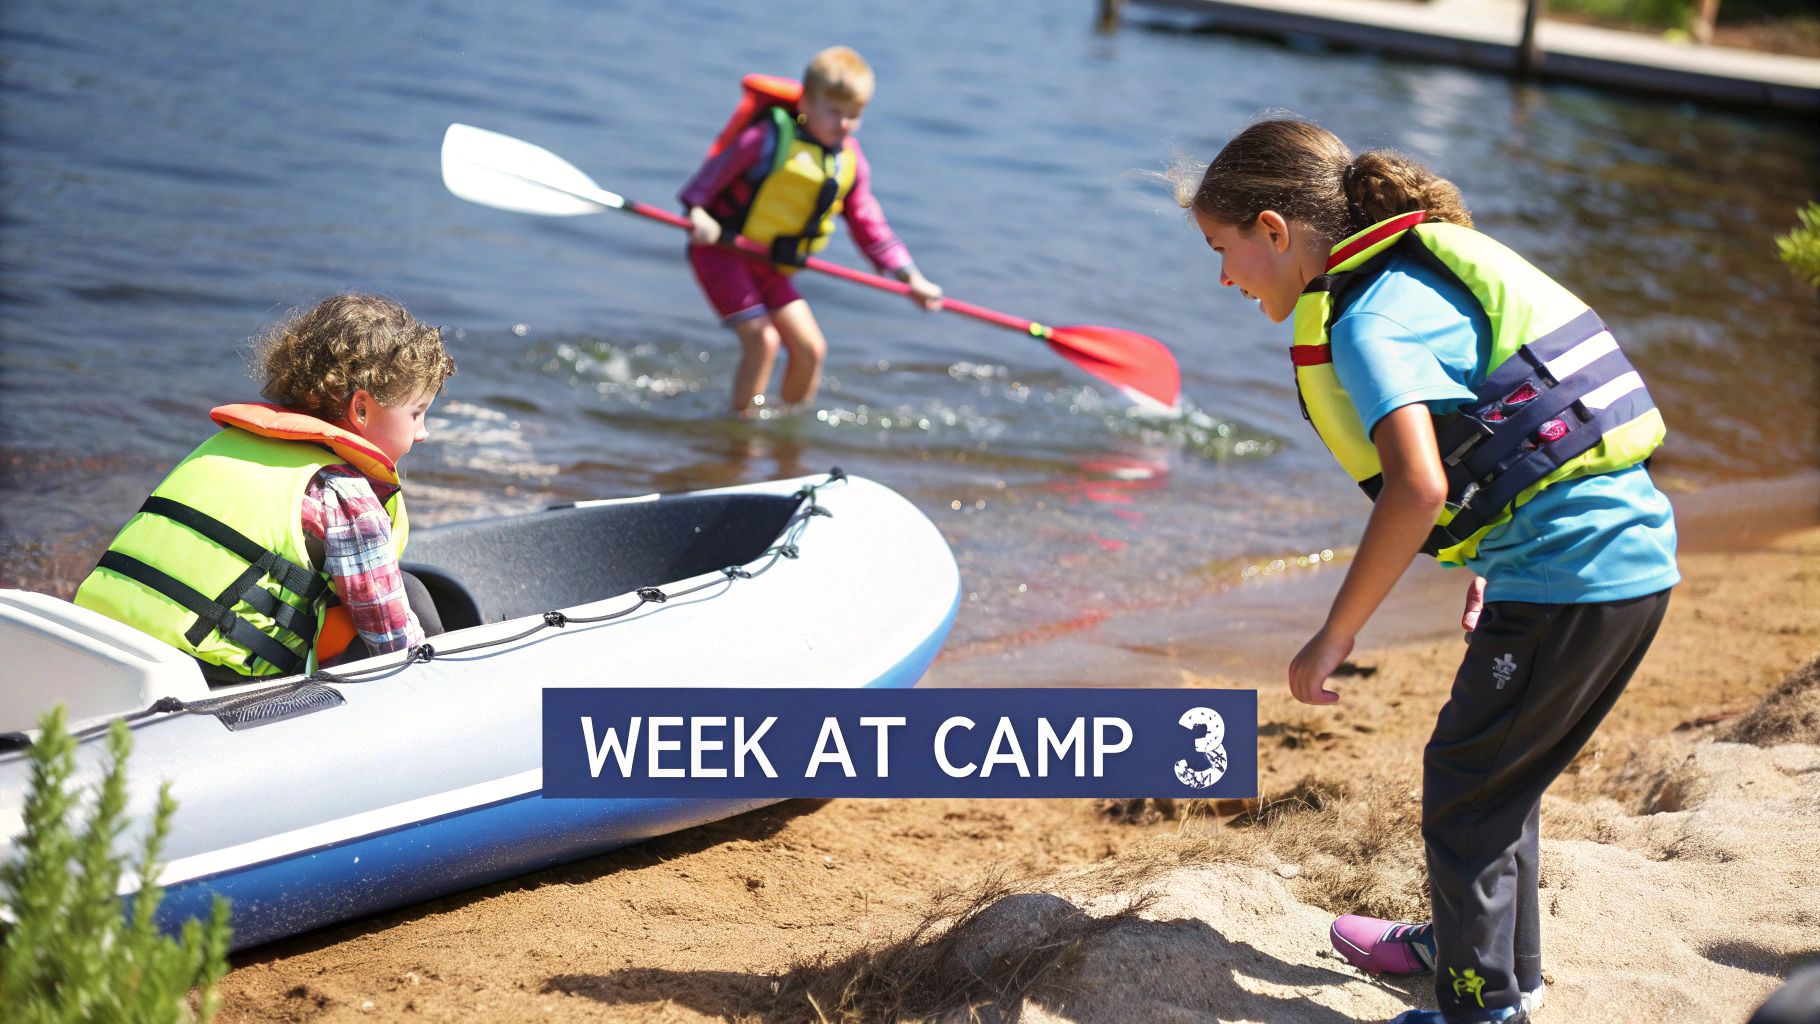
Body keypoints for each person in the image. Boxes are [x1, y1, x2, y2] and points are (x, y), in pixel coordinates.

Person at [1172, 119, 1679, 1024]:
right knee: (1496, 778)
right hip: (1623, 558)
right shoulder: (1408, 278)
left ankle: (1478, 1006)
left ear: (1275, 231)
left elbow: (1416, 484)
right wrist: (1494, 557)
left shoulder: (1369, 320)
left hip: (1571, 575)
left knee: (1464, 795)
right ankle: (1479, 958)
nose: (1223, 277)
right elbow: (1508, 432)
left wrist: (1337, 630)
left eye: (1224, 249)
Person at [75, 293, 456, 683]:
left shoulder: (225, 447)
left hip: (99, 634)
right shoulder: (346, 494)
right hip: (209, 677)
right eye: (416, 413)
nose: (423, 433)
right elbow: (389, 638)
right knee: (408, 595)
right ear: (360, 409)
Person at [679, 45, 942, 416]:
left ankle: (786, 425)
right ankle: (745, 424)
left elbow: (870, 224)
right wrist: (699, 214)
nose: (845, 124)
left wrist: (910, 275)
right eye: (834, 112)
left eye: (855, 115)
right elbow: (704, 185)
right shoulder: (766, 138)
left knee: (811, 350)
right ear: (806, 104)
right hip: (722, 253)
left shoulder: (849, 161)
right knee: (763, 341)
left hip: (770, 265)